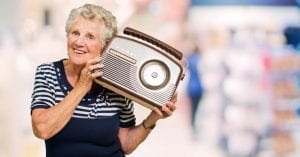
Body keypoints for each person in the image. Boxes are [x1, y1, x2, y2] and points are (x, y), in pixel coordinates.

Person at [30, 4, 177, 157]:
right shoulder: (48, 73)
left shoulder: (117, 82)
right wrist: (82, 86)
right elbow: (42, 129)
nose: (79, 42)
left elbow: (126, 144)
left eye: (90, 36)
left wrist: (154, 118)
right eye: (75, 33)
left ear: (105, 46)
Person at [186, 45, 203, 137]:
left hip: (190, 87)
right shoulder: (201, 59)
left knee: (192, 109)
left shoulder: (190, 59)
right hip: (199, 88)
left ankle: (192, 127)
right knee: (197, 109)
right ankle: (195, 128)